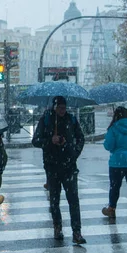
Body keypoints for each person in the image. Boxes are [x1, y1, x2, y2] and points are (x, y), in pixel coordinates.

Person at [32, 95, 86, 244]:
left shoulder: (71, 119)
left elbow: (81, 138)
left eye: (64, 108)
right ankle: (57, 227)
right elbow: (35, 140)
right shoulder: (46, 120)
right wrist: (51, 140)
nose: (62, 110)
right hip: (52, 166)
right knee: (54, 200)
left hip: (69, 166)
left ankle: (77, 232)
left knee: (73, 200)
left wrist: (74, 152)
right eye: (60, 108)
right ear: (54, 107)